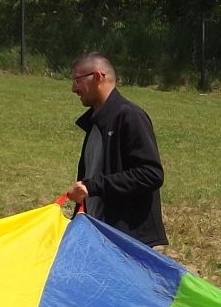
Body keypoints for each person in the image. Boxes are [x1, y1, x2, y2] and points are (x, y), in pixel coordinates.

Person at [64, 52, 166, 247]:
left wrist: (93, 186)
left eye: (77, 80)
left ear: (97, 77)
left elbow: (151, 174)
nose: (73, 88)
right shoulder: (95, 121)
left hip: (125, 241)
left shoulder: (130, 116)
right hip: (96, 234)